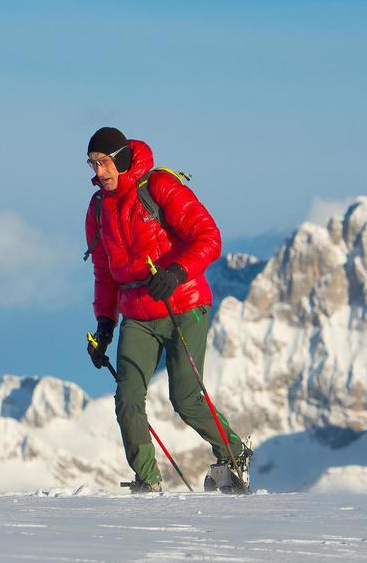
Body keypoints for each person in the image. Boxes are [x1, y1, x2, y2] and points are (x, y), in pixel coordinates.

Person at [82, 126, 251, 493]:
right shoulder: (98, 210)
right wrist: (105, 325)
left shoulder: (158, 187)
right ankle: (147, 480)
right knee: (127, 397)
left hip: (184, 305)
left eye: (105, 163)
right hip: (136, 315)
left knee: (186, 398)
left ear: (122, 158)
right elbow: (104, 273)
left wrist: (175, 273)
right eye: (94, 164)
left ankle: (234, 453)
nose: (99, 173)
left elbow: (209, 237)